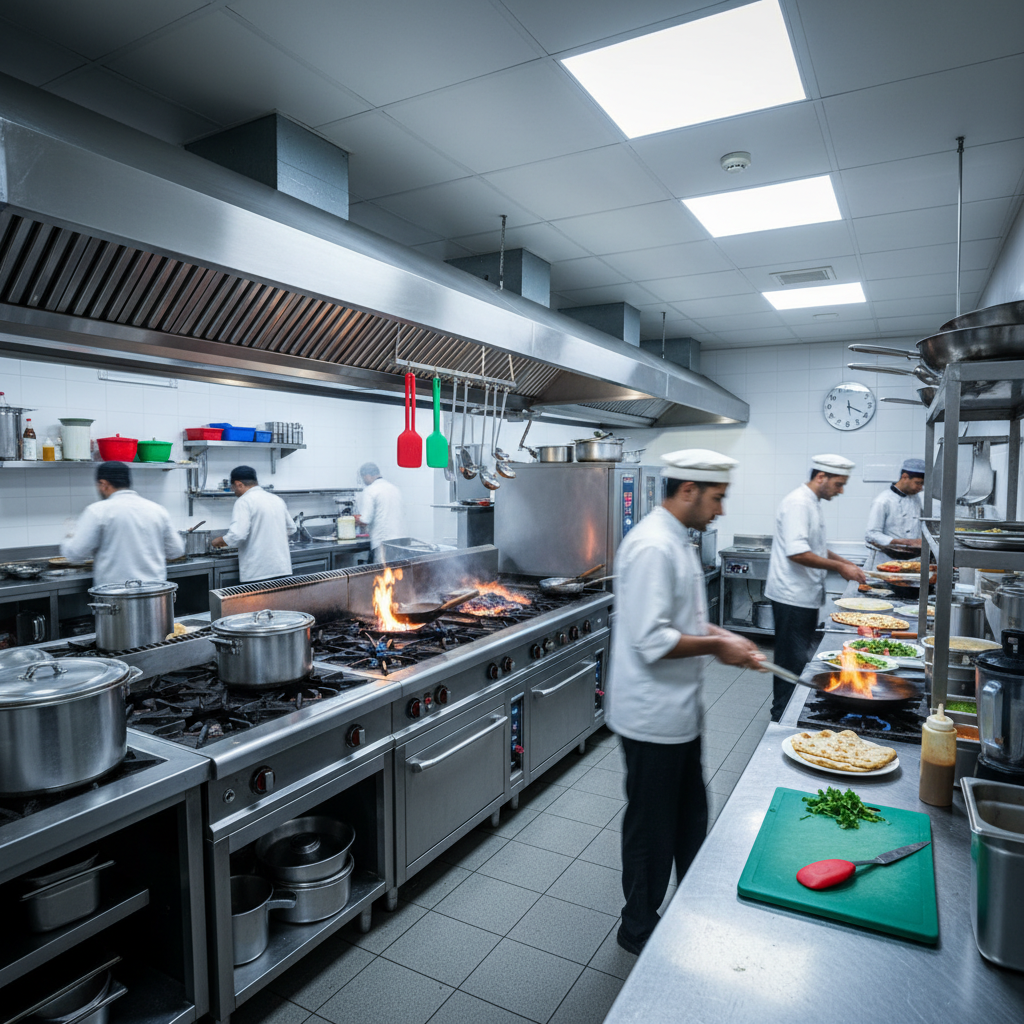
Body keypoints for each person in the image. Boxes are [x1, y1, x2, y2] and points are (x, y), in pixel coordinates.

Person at [606, 449, 764, 956]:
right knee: (653, 828)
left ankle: (695, 906)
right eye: (717, 498)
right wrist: (720, 645)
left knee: (690, 817)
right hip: (652, 717)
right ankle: (637, 929)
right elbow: (653, 640)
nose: (720, 510)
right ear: (689, 490)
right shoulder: (654, 545)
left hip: (677, 713)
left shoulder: (676, 540)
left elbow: (680, 621)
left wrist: (720, 636)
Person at [764, 454, 868, 722]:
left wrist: (847, 563)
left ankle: (788, 712)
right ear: (820, 477)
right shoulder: (799, 503)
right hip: (791, 597)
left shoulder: (811, 502)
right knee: (791, 660)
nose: (841, 490)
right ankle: (781, 719)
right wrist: (840, 569)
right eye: (838, 484)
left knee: (798, 659)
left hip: (804, 597)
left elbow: (816, 547)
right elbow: (797, 553)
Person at [61, 461, 185, 587]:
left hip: (115, 594)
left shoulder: (98, 511)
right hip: (154, 594)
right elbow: (176, 551)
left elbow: (76, 553)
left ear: (103, 484)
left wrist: (70, 536)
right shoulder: (157, 510)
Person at [211, 466, 296, 582]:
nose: (233, 490)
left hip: (258, 573)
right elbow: (291, 528)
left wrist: (218, 541)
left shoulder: (244, 501)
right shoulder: (276, 499)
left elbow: (237, 535)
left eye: (233, 487)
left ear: (239, 484)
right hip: (282, 569)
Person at [865, 458, 925, 568]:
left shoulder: (916, 498)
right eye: (918, 483)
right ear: (905, 477)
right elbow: (871, 535)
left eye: (922, 484)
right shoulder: (883, 501)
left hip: (912, 561)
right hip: (886, 561)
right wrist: (906, 542)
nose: (920, 488)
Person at [356, 462, 404, 562]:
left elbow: (365, 519)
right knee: (395, 574)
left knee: (382, 574)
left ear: (367, 476)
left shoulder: (371, 490)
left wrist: (353, 520)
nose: (364, 480)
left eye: (363, 477)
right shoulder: (394, 488)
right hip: (399, 540)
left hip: (382, 541)